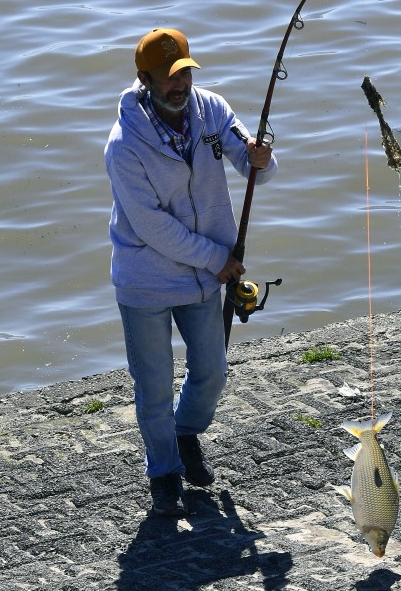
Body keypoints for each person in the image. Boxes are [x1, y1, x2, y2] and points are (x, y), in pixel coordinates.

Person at [104, 27, 276, 515]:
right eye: (168, 77)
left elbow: (255, 165)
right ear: (145, 79)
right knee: (153, 384)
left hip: (203, 278)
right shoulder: (123, 147)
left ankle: (185, 434)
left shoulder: (212, 110)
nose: (179, 84)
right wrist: (216, 258)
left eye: (184, 72)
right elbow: (151, 226)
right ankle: (163, 473)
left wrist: (260, 157)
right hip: (146, 281)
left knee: (213, 371)